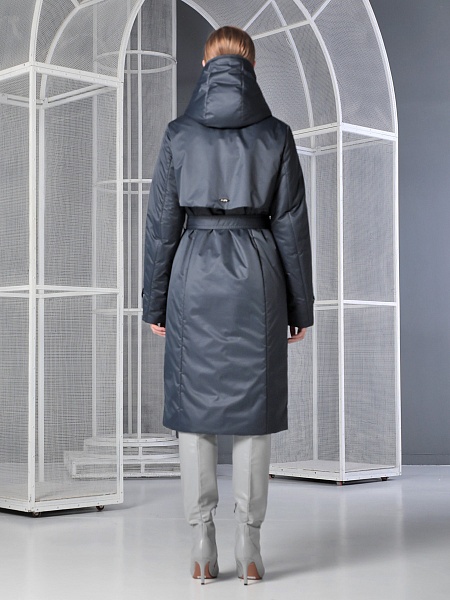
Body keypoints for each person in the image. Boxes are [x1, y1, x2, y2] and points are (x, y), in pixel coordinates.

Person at [143, 26, 314, 585]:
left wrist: (155, 302)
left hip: (193, 273)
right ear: (251, 69)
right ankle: (251, 544)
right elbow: (291, 227)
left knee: (194, 410)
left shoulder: (178, 134)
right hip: (258, 278)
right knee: (252, 412)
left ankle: (201, 543)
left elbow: (162, 227)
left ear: (205, 67)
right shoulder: (277, 135)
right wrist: (300, 307)